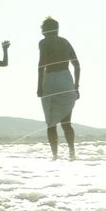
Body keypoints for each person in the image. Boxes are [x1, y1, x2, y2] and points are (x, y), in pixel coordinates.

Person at [37, 17, 80, 160]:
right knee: (67, 123)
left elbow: (41, 65)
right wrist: (76, 86)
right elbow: (77, 65)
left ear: (45, 29)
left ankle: (55, 156)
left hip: (50, 80)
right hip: (66, 80)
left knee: (51, 123)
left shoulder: (43, 42)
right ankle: (72, 153)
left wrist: (38, 86)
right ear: (57, 28)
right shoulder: (65, 42)